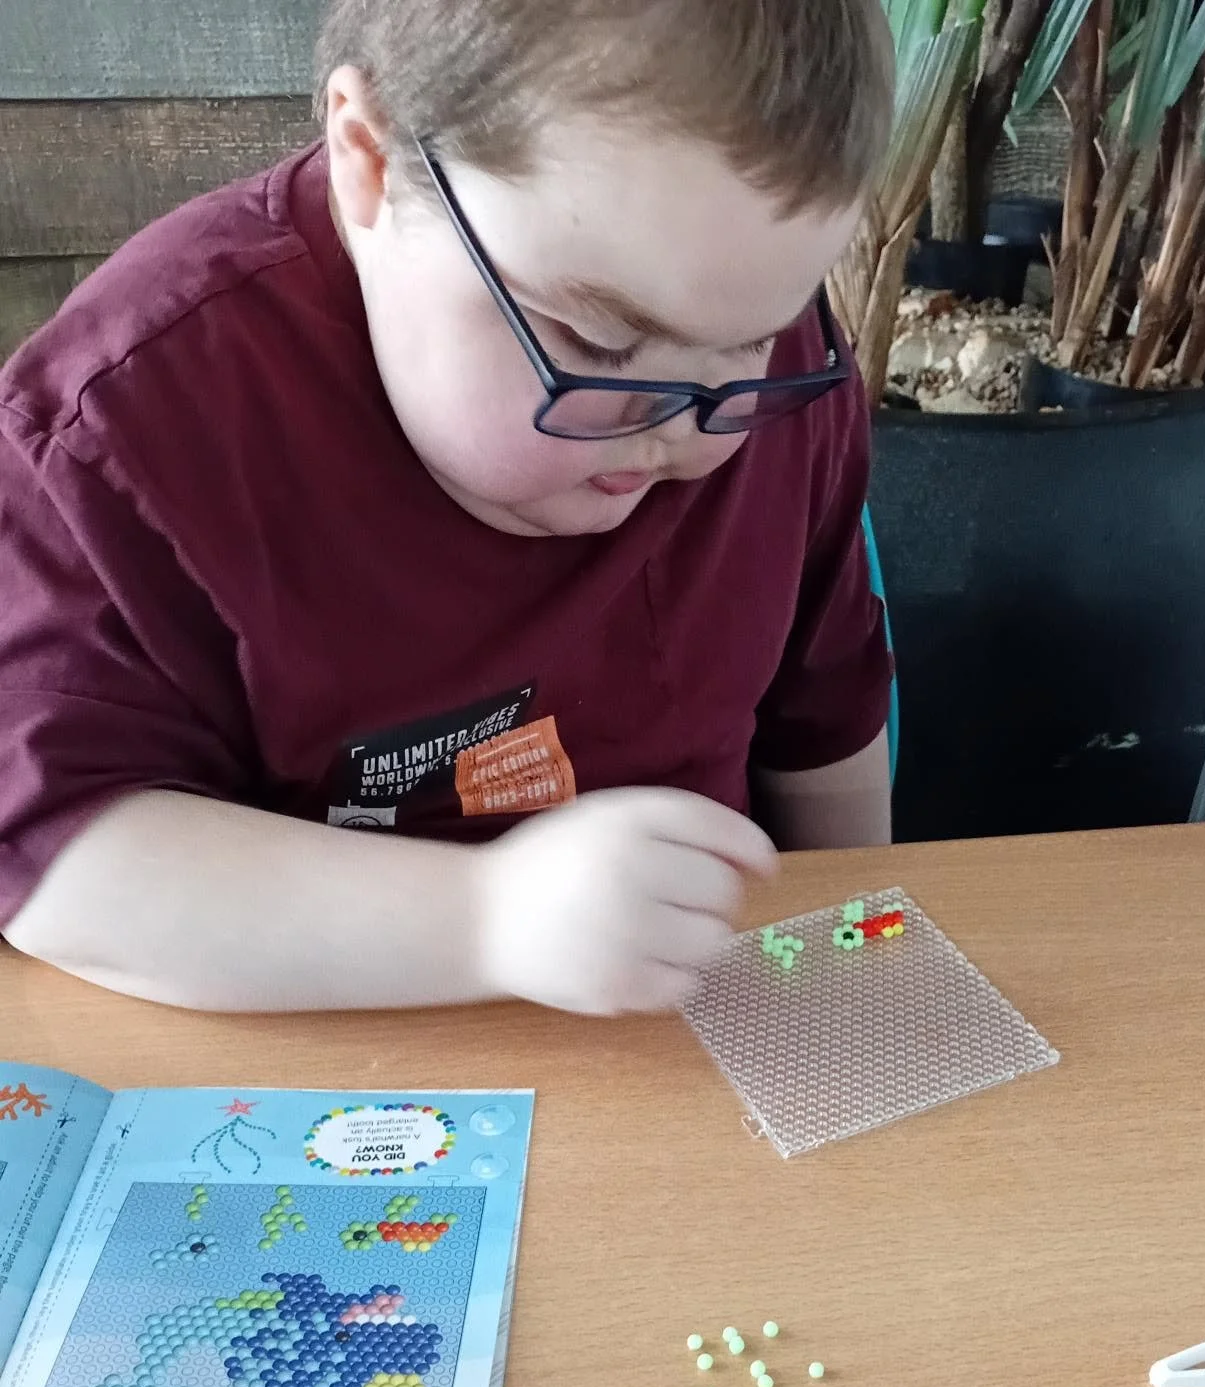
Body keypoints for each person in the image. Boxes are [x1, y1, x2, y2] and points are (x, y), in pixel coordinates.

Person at [0, 0, 895, 1015]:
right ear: (369, 160)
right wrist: (484, 920)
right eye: (598, 347)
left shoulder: (783, 389)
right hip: (332, 1081)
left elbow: (826, 724)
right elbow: (57, 858)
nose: (682, 430)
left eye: (746, 342)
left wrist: (856, 959)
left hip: (694, 1047)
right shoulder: (118, 429)